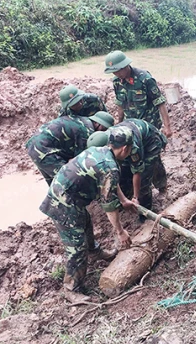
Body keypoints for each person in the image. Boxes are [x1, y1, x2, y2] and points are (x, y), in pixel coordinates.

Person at [39, 129, 136, 291]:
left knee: (85, 222)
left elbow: (110, 183)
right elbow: (109, 206)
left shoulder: (100, 151)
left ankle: (94, 251)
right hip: (62, 202)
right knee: (76, 247)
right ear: (125, 148)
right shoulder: (110, 167)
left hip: (66, 195)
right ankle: (72, 289)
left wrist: (124, 200)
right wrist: (120, 231)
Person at [26, 111, 115, 185]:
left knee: (54, 181)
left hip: (34, 145)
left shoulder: (81, 120)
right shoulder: (87, 131)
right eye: (104, 129)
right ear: (97, 124)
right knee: (67, 179)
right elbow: (81, 161)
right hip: (44, 150)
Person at [104, 50, 173, 138]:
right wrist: (119, 123)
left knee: (150, 150)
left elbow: (160, 102)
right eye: (114, 72)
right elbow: (120, 103)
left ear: (125, 66)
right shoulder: (117, 82)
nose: (117, 74)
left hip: (149, 126)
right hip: (130, 126)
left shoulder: (145, 79)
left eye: (118, 71)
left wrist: (167, 127)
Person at [108, 119, 167, 217]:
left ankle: (145, 213)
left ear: (126, 149)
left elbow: (137, 172)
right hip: (133, 134)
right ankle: (126, 198)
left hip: (151, 141)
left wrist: (136, 197)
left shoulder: (133, 148)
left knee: (145, 178)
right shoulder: (108, 143)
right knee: (124, 173)